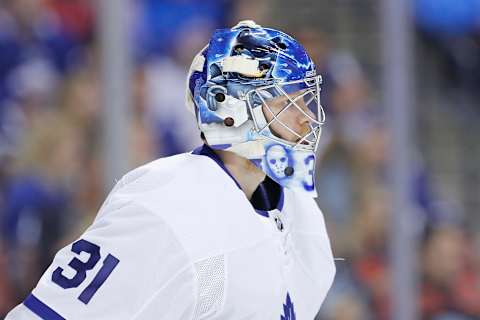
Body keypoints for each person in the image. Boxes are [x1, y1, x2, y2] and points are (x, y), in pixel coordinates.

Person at [5, 20, 336, 319]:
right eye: (286, 104)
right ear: (229, 109)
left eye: (306, 100)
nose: (306, 118)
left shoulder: (300, 211)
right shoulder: (168, 208)